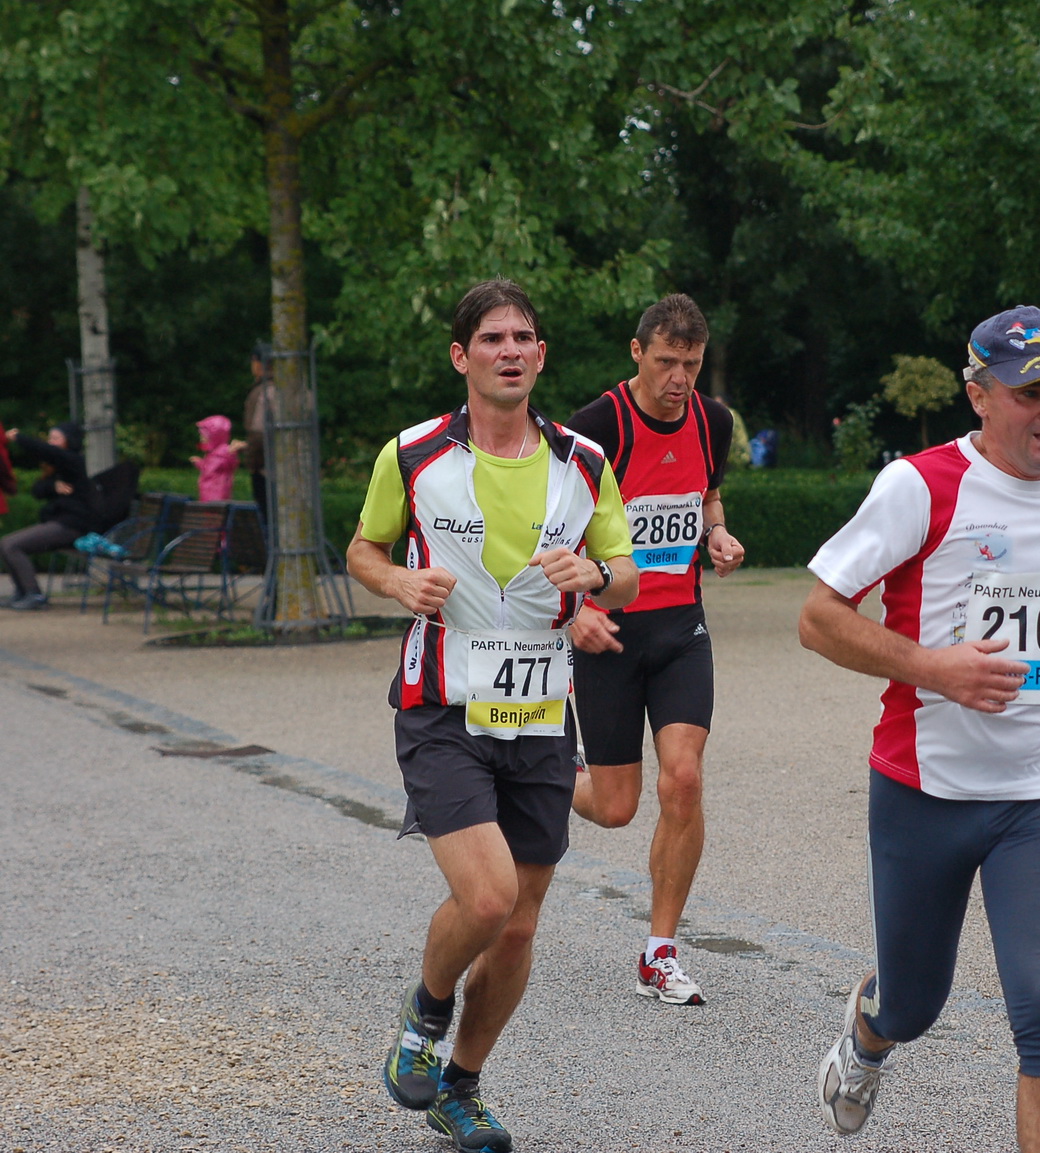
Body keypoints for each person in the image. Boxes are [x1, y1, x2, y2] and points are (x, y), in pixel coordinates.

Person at [798, 306, 1040, 1151]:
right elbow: (818, 617)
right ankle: (868, 1034)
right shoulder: (918, 485)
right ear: (978, 395)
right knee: (913, 1003)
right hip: (924, 790)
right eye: (1030, 393)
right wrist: (936, 668)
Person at [347, 279, 638, 1153]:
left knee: (517, 926)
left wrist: (597, 578)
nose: (510, 350)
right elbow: (363, 549)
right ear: (461, 355)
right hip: (442, 705)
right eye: (492, 338)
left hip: (543, 712)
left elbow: (626, 573)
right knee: (486, 894)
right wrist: (397, 580)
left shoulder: (584, 461)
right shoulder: (412, 454)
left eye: (523, 338)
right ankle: (424, 1016)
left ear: (541, 355)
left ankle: (462, 1087)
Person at [563, 293, 744, 1005]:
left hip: (679, 632)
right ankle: (548, 777)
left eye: (691, 364)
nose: (679, 378)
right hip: (609, 634)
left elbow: (707, 495)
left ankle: (659, 953)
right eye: (667, 361)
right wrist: (575, 610)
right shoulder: (596, 426)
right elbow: (551, 532)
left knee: (684, 780)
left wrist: (716, 533)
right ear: (637, 352)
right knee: (615, 808)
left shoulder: (713, 420)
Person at [2, 422, 94, 611]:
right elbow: (37, 490)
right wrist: (53, 486)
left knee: (11, 546)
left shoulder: (72, 461)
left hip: (72, 525)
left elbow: (46, 451)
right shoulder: (58, 467)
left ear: (69, 441)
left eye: (55, 438)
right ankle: (22, 592)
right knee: (5, 544)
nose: (50, 442)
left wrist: (19, 438)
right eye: (49, 438)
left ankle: (34, 595)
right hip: (59, 523)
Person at [243, 344, 275, 522]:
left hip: (266, 471)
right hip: (296, 471)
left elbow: (258, 435)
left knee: (269, 522)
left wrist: (253, 464)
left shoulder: (263, 392)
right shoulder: (296, 389)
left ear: (257, 363)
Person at [191, 414, 244, 502]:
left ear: (214, 436)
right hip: (209, 492)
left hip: (216, 494)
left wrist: (200, 463)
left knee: (213, 509)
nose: (201, 438)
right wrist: (199, 463)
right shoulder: (215, 452)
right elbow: (210, 468)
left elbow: (211, 468)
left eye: (204, 436)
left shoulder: (223, 453)